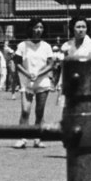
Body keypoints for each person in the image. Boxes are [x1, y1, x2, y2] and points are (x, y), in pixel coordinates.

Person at [13, 18, 59, 149]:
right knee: (25, 111)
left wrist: (38, 74)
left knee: (39, 112)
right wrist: (28, 74)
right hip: (26, 83)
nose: (38, 30)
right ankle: (22, 138)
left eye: (41, 27)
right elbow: (17, 63)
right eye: (36, 27)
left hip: (42, 82)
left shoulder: (46, 46)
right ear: (31, 29)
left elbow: (50, 64)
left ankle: (38, 138)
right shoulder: (23, 45)